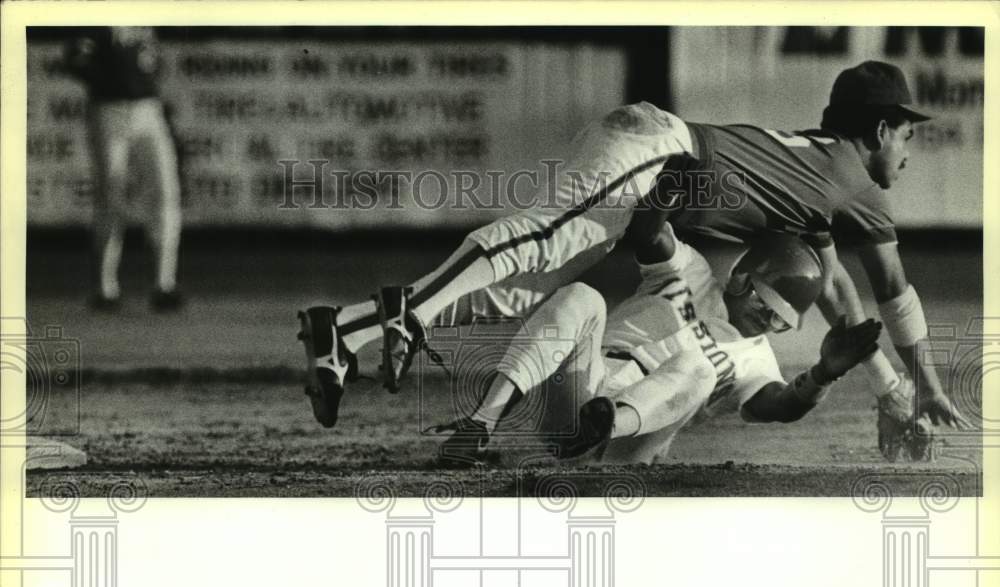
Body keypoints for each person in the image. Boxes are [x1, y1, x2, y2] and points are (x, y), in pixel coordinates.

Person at [298, 61, 961, 456]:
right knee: (540, 238)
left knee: (521, 288)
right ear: (878, 130)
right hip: (661, 151)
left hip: (653, 157)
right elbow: (892, 295)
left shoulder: (817, 183)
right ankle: (409, 317)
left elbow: (841, 299)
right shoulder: (853, 181)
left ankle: (346, 333)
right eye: (905, 133)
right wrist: (923, 387)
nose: (906, 149)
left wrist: (893, 390)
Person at [433, 228, 881, 467]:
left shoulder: (758, 359)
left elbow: (779, 405)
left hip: (629, 445)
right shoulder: (692, 273)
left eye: (782, 319)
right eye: (767, 304)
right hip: (580, 392)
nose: (769, 320)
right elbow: (651, 233)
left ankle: (606, 426)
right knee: (583, 297)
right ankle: (481, 423)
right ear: (743, 278)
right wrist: (661, 178)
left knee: (700, 369)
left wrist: (824, 374)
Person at [63, 27, 183, 311]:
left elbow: (153, 59)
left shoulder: (143, 17)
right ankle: (105, 289)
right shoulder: (93, 17)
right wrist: (111, 79)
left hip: (148, 107)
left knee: (166, 192)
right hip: (108, 108)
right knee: (111, 196)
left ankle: (164, 285)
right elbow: (75, 59)